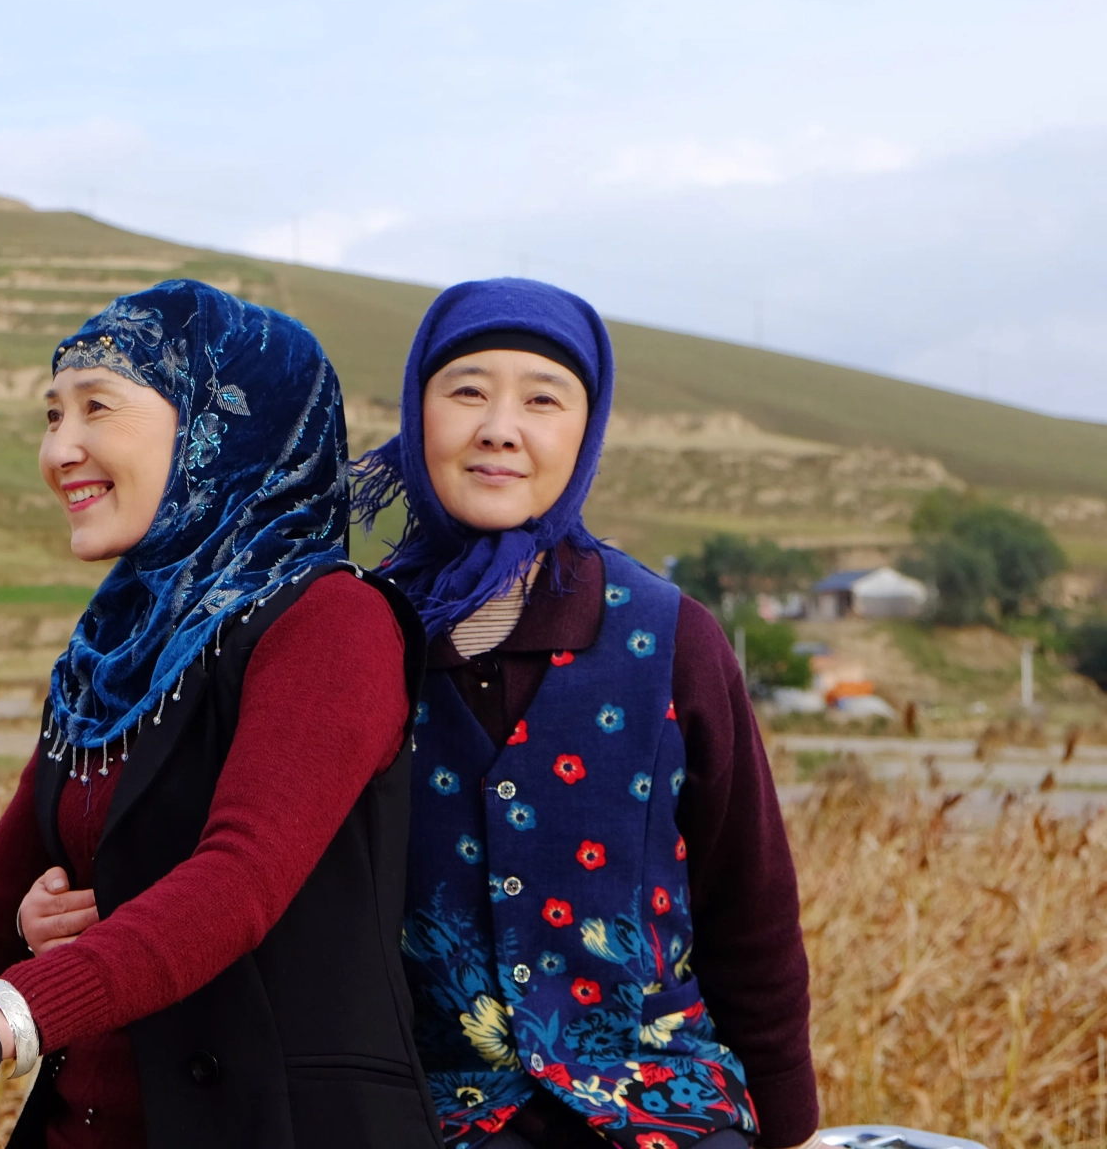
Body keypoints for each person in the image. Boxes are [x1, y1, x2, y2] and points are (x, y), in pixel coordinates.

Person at [0, 279, 443, 1149]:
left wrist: (9, 1009)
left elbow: (239, 881)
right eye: (51, 416)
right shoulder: (110, 658)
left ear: (218, 426)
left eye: (97, 408)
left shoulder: (329, 622)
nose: (60, 450)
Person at [332, 277, 817, 1149]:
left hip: (663, 1106)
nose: (500, 428)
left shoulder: (671, 636)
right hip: (428, 1114)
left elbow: (751, 904)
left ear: (585, 429)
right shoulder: (352, 638)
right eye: (467, 391)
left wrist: (790, 1130)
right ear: (417, 412)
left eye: (543, 399)